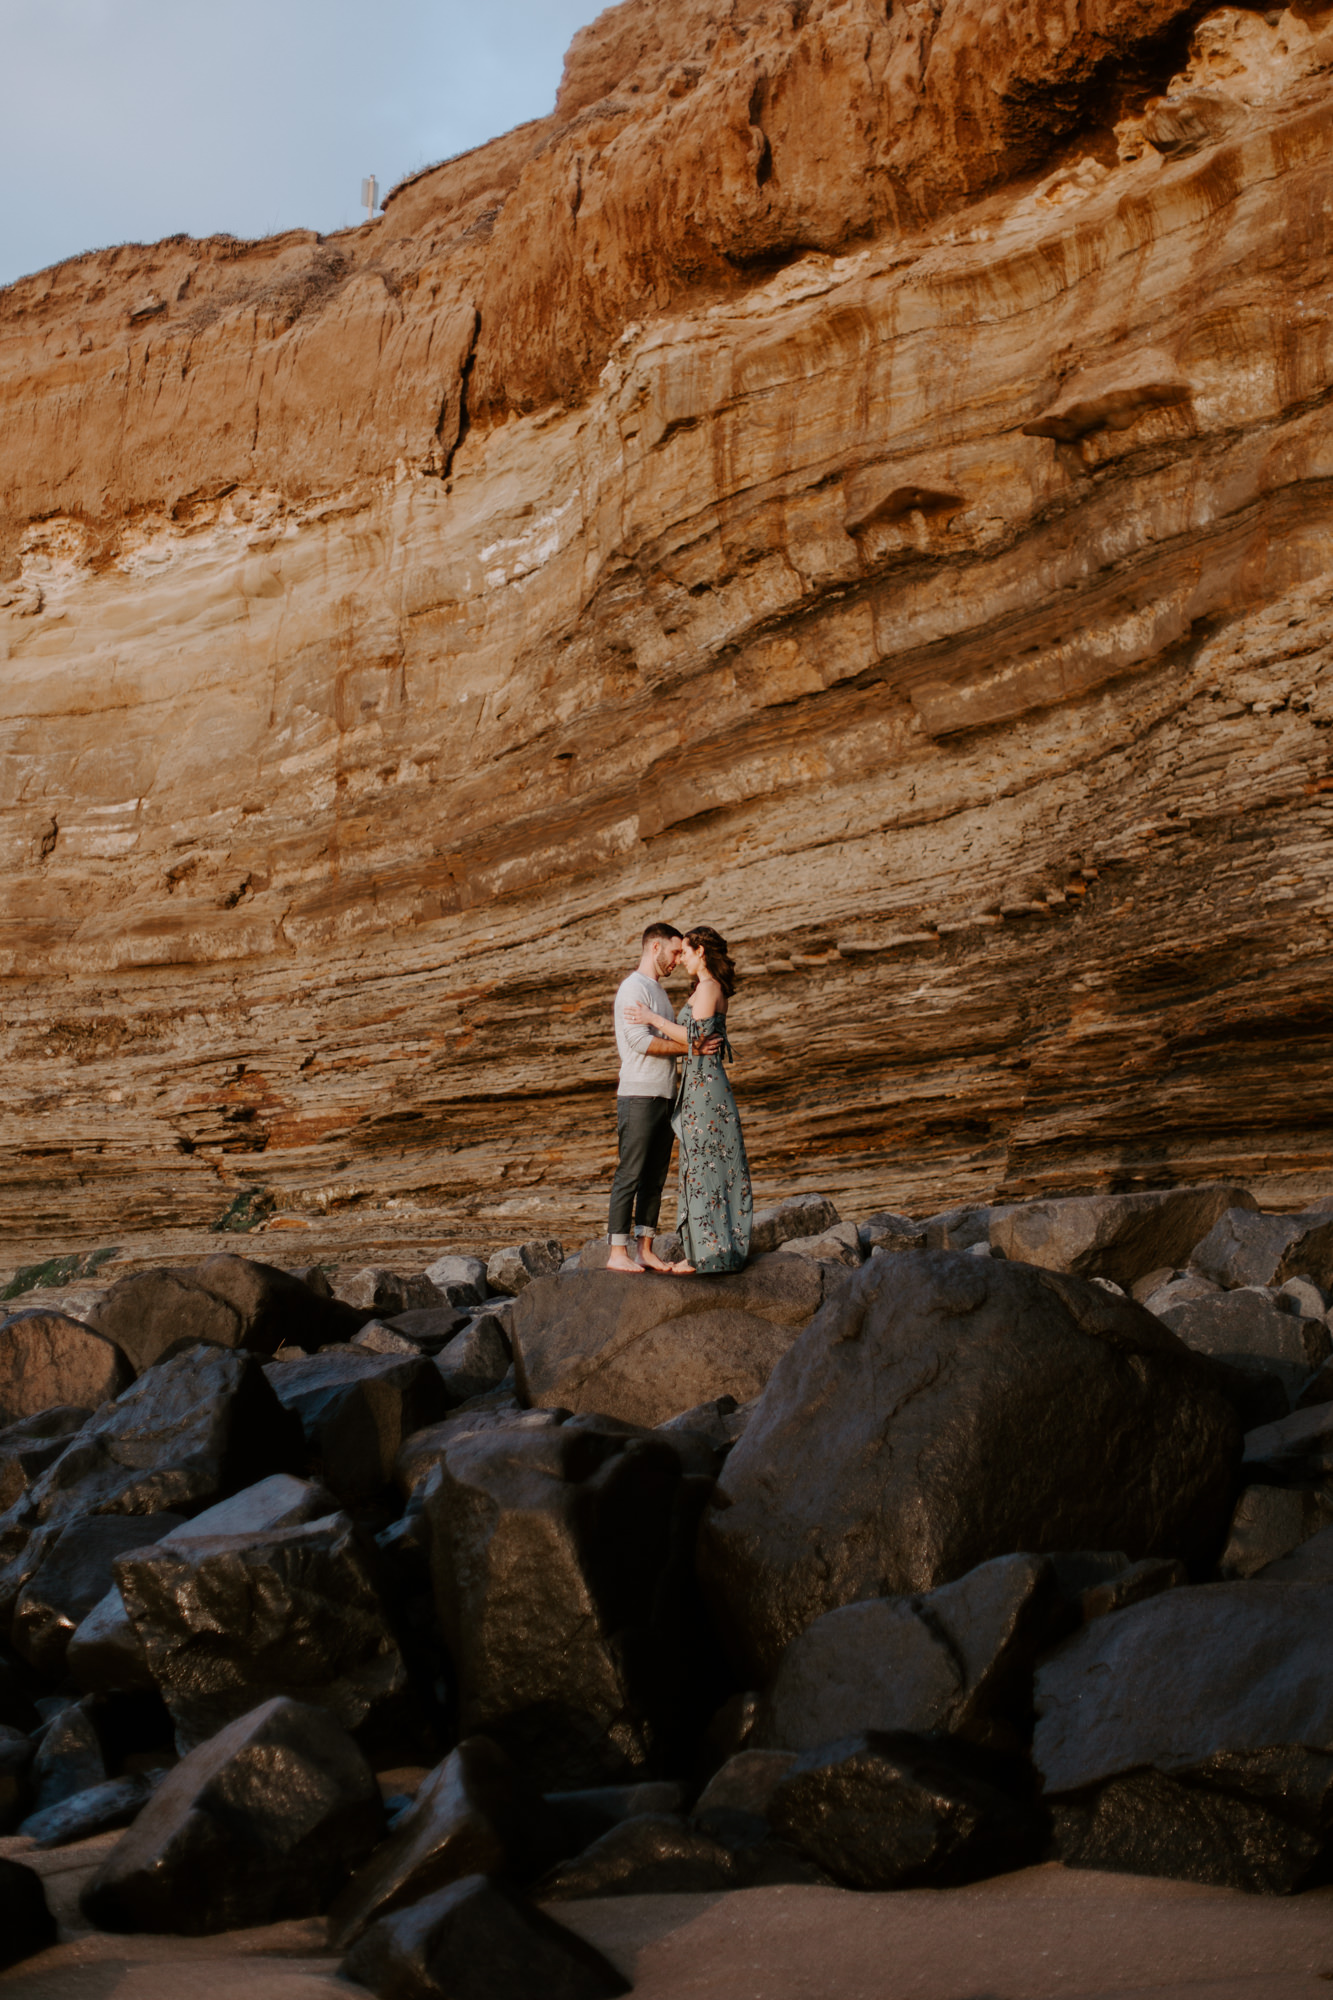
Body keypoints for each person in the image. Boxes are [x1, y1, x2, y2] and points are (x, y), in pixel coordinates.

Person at [624, 925, 752, 1274]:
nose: (680, 960)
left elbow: (695, 1035)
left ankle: (709, 1254)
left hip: (706, 1089)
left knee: (704, 1167)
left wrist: (651, 1019)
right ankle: (703, 1251)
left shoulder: (710, 988)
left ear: (702, 953)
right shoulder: (704, 988)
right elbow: (694, 1039)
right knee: (701, 1166)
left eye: (686, 953)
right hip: (699, 1085)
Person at [606, 923, 719, 1275]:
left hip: (665, 1095)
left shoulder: (658, 993)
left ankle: (644, 1250)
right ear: (655, 948)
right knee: (631, 1172)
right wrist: (692, 1047)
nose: (676, 959)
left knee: (654, 1177)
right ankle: (617, 1252)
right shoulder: (632, 988)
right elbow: (640, 1042)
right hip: (638, 1094)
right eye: (673, 952)